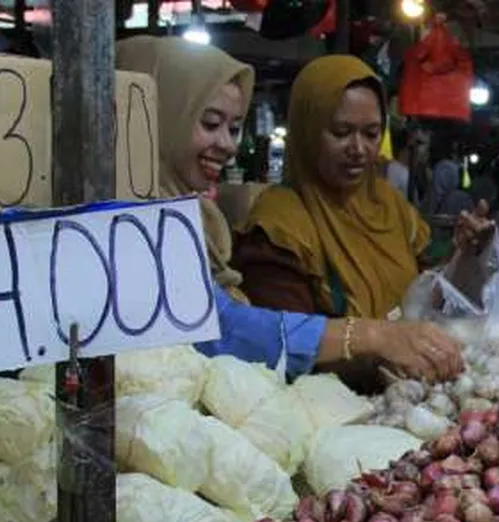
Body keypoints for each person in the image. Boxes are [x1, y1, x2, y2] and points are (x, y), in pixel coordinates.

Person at [116, 40, 465, 383]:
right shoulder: (125, 223)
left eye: (234, 128)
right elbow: (221, 330)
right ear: (157, 116)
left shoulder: (200, 220)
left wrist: (468, 260)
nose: (228, 145)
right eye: (209, 123)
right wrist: (373, 338)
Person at [234, 55, 487, 385]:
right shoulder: (278, 226)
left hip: (414, 396)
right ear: (307, 131)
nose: (359, 149)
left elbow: (422, 298)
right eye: (341, 132)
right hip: (333, 410)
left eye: (371, 133)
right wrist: (381, 351)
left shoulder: (390, 206)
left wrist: (462, 255)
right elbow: (283, 347)